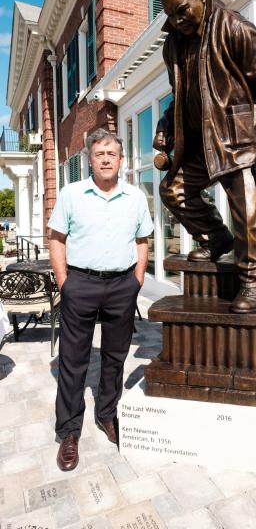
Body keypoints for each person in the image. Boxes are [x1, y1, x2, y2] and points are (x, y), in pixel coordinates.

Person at [154, 0, 256, 313]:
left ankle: (255, 282)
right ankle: (217, 238)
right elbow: (182, 94)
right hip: (199, 143)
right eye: (171, 14)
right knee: (173, 191)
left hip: (236, 137)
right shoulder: (174, 44)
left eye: (182, 9)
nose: (178, 19)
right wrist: (166, 125)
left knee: (247, 213)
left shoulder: (232, 26)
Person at [48, 128, 153, 471]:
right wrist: (65, 282)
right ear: (90, 160)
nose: (106, 159)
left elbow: (142, 241)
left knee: (115, 357)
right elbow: (57, 239)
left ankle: (107, 414)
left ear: (121, 160)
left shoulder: (136, 197)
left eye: (112, 153)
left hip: (122, 285)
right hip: (81, 283)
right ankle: (68, 431)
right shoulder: (71, 194)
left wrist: (137, 280)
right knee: (72, 360)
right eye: (99, 154)